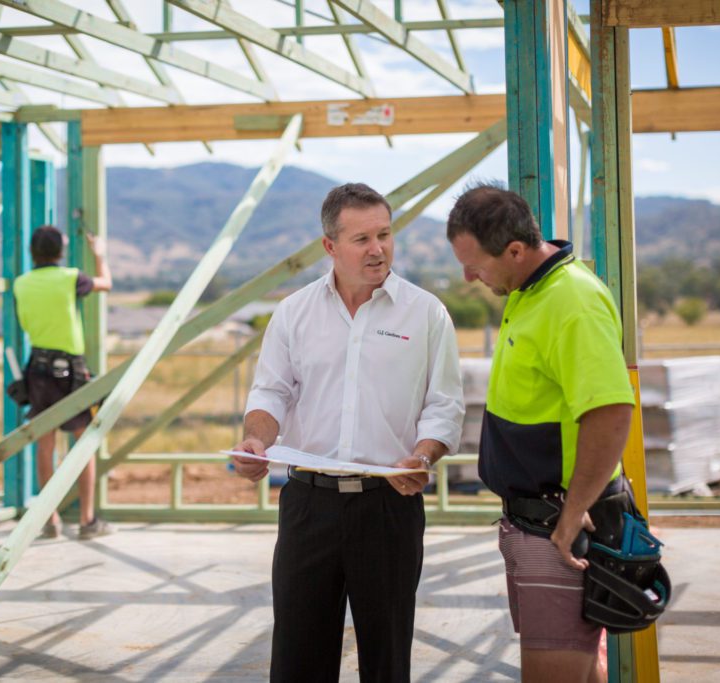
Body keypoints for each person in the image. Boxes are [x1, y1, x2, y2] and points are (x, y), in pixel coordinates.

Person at [231, 183, 465, 682]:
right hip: (308, 506)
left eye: (385, 234)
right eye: (362, 239)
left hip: (389, 506)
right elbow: (270, 393)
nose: (378, 249)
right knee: (298, 659)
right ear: (330, 246)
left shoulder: (426, 313)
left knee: (386, 660)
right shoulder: (294, 312)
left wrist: (423, 456)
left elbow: (444, 406)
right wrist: (256, 441)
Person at [446, 183, 635, 683]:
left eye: (475, 266)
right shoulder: (530, 289)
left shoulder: (571, 301)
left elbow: (611, 413)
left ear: (515, 250)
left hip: (560, 526)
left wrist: (572, 515)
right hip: (536, 520)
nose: (468, 277)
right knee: (578, 669)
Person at [13, 225, 114, 540]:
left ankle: (50, 519)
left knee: (45, 445)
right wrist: (99, 255)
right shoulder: (70, 278)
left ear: (33, 252)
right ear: (60, 252)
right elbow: (106, 283)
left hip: (37, 369)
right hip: (70, 370)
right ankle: (87, 520)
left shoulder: (21, 283)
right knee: (84, 442)